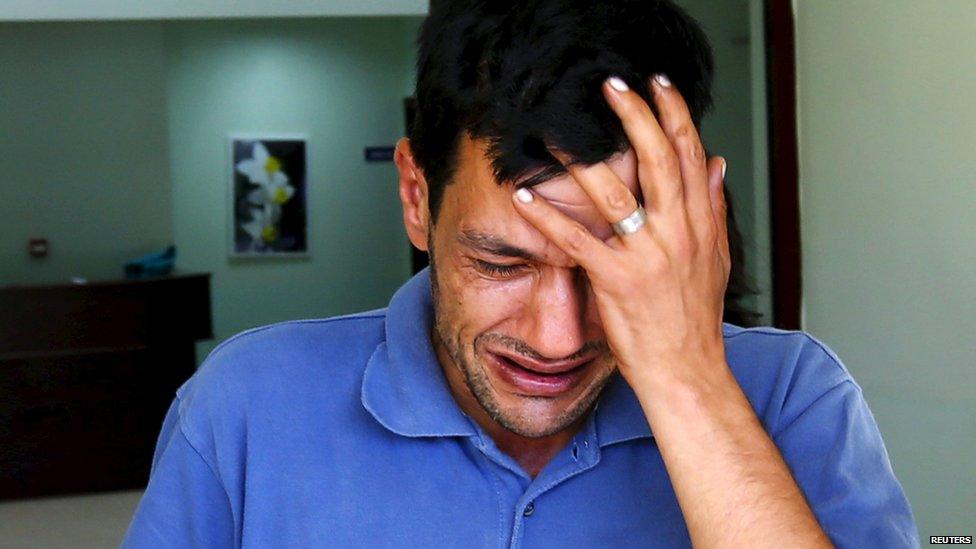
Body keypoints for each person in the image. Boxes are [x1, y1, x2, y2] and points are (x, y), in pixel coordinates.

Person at [124, 1, 919, 547]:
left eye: (613, 265)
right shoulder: (244, 407)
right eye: (501, 261)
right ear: (414, 196)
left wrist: (688, 381)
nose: (557, 336)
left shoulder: (791, 394)